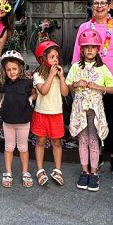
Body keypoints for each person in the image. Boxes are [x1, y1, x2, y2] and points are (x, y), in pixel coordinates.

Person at [73, 0, 113, 177]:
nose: (99, 6)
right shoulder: (84, 27)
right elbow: (76, 52)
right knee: (92, 119)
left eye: (103, 3)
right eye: (96, 3)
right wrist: (76, 75)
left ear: (109, 5)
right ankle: (93, 156)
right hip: (89, 80)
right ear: (92, 6)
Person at [66, 29, 113, 192]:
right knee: (83, 140)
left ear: (98, 49)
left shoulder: (102, 68)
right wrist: (75, 84)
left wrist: (99, 87)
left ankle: (94, 173)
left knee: (94, 139)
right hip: (80, 110)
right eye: (86, 47)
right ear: (81, 49)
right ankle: (84, 171)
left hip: (95, 110)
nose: (90, 50)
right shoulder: (75, 67)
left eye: (93, 47)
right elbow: (67, 87)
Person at [33, 40, 69, 186]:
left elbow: (65, 93)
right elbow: (44, 90)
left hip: (56, 113)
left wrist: (61, 77)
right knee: (40, 141)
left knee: (57, 142)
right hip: (41, 113)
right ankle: (40, 170)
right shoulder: (38, 75)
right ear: (43, 59)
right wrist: (51, 75)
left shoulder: (58, 74)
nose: (56, 59)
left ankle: (57, 170)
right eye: (52, 57)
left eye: (57, 57)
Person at [0, 50, 35, 188]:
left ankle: (25, 172)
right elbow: (5, 94)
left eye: (14, 69)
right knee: (8, 147)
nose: (12, 72)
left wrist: (31, 98)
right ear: (5, 71)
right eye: (8, 70)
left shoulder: (27, 82)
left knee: (23, 147)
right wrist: (2, 100)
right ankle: (8, 172)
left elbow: (35, 92)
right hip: (8, 121)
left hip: (23, 121)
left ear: (20, 68)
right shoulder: (5, 83)